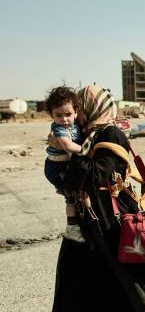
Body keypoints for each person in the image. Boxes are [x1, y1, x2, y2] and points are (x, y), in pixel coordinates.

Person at [33, 85, 145, 312]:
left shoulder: (110, 134)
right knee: (80, 274)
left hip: (110, 218)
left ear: (95, 108)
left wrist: (73, 152)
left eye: (81, 107)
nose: (77, 113)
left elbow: (96, 176)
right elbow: (71, 177)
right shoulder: (89, 134)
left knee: (135, 269)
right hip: (91, 216)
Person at [44, 86, 84, 242]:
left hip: (64, 166)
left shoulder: (75, 125)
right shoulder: (59, 129)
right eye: (58, 115)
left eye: (68, 114)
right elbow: (68, 146)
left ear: (76, 112)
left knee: (73, 192)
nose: (64, 119)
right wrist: (87, 149)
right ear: (51, 115)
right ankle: (71, 228)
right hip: (56, 168)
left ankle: (62, 188)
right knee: (71, 198)